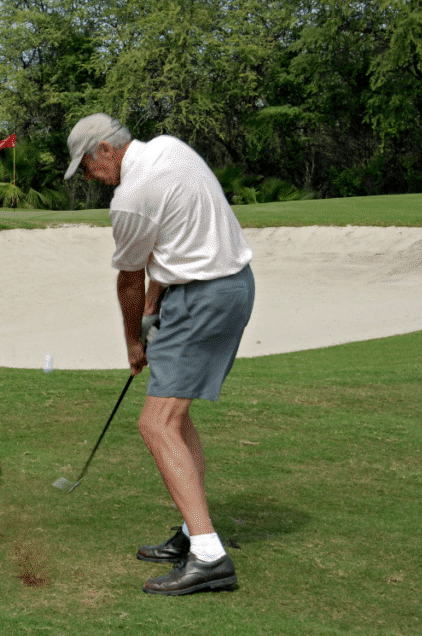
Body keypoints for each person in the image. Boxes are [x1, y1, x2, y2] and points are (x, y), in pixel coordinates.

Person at [64, 113, 256, 596]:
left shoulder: (130, 197)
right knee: (176, 418)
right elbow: (167, 250)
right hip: (230, 287)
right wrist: (153, 314)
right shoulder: (170, 147)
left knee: (156, 424)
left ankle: (209, 557)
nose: (89, 177)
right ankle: (193, 532)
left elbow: (130, 278)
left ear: (106, 149)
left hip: (202, 298)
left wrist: (134, 341)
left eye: (87, 166)